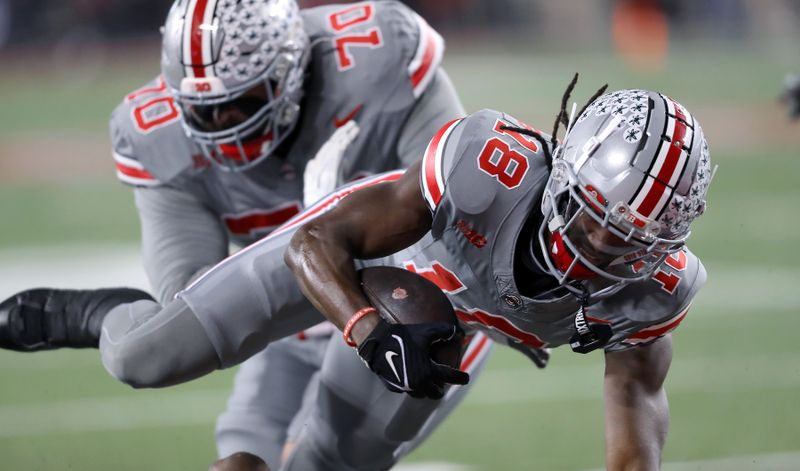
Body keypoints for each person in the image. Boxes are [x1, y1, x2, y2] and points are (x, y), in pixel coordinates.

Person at [0, 79, 712, 468]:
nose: (603, 251)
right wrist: (367, 329)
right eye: (595, 218)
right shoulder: (485, 166)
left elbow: (637, 397)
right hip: (356, 262)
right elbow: (317, 243)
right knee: (141, 355)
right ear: (566, 176)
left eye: (630, 242)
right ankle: (98, 315)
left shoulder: (654, 287)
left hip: (434, 327)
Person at [0, 0, 496, 470]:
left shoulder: (381, 58)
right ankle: (102, 314)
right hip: (292, 317)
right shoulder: (157, 136)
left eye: (240, 102)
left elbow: (458, 234)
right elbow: (193, 297)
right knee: (175, 382)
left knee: (326, 462)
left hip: (405, 305)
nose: (222, 124)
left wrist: (346, 216)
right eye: (203, 109)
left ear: (290, 68)